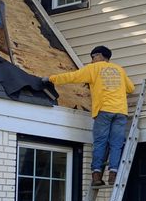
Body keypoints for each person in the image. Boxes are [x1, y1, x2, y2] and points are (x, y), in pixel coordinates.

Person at [45, 46, 135, 187]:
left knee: (100, 142)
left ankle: (96, 175)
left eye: (93, 56)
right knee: (116, 143)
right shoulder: (119, 70)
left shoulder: (93, 69)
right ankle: (113, 174)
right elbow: (131, 88)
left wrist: (51, 79)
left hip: (104, 111)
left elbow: (72, 77)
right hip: (121, 112)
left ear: (99, 56)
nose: (91, 60)